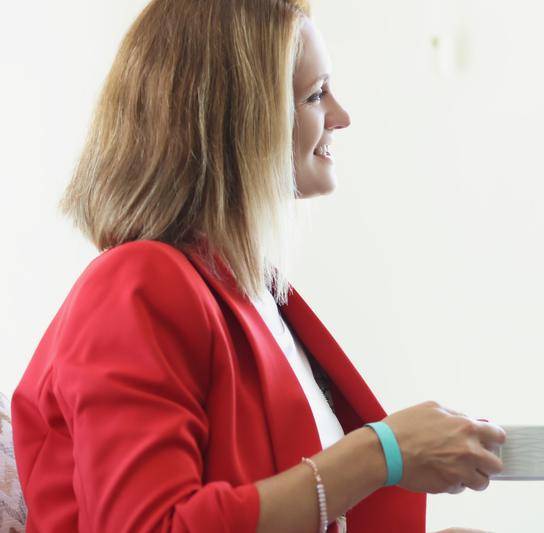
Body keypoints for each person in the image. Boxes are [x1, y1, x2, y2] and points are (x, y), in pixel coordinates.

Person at [10, 1, 505, 531]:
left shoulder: (256, 295)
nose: (341, 116)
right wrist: (382, 453)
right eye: (316, 95)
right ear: (239, 121)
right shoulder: (135, 285)